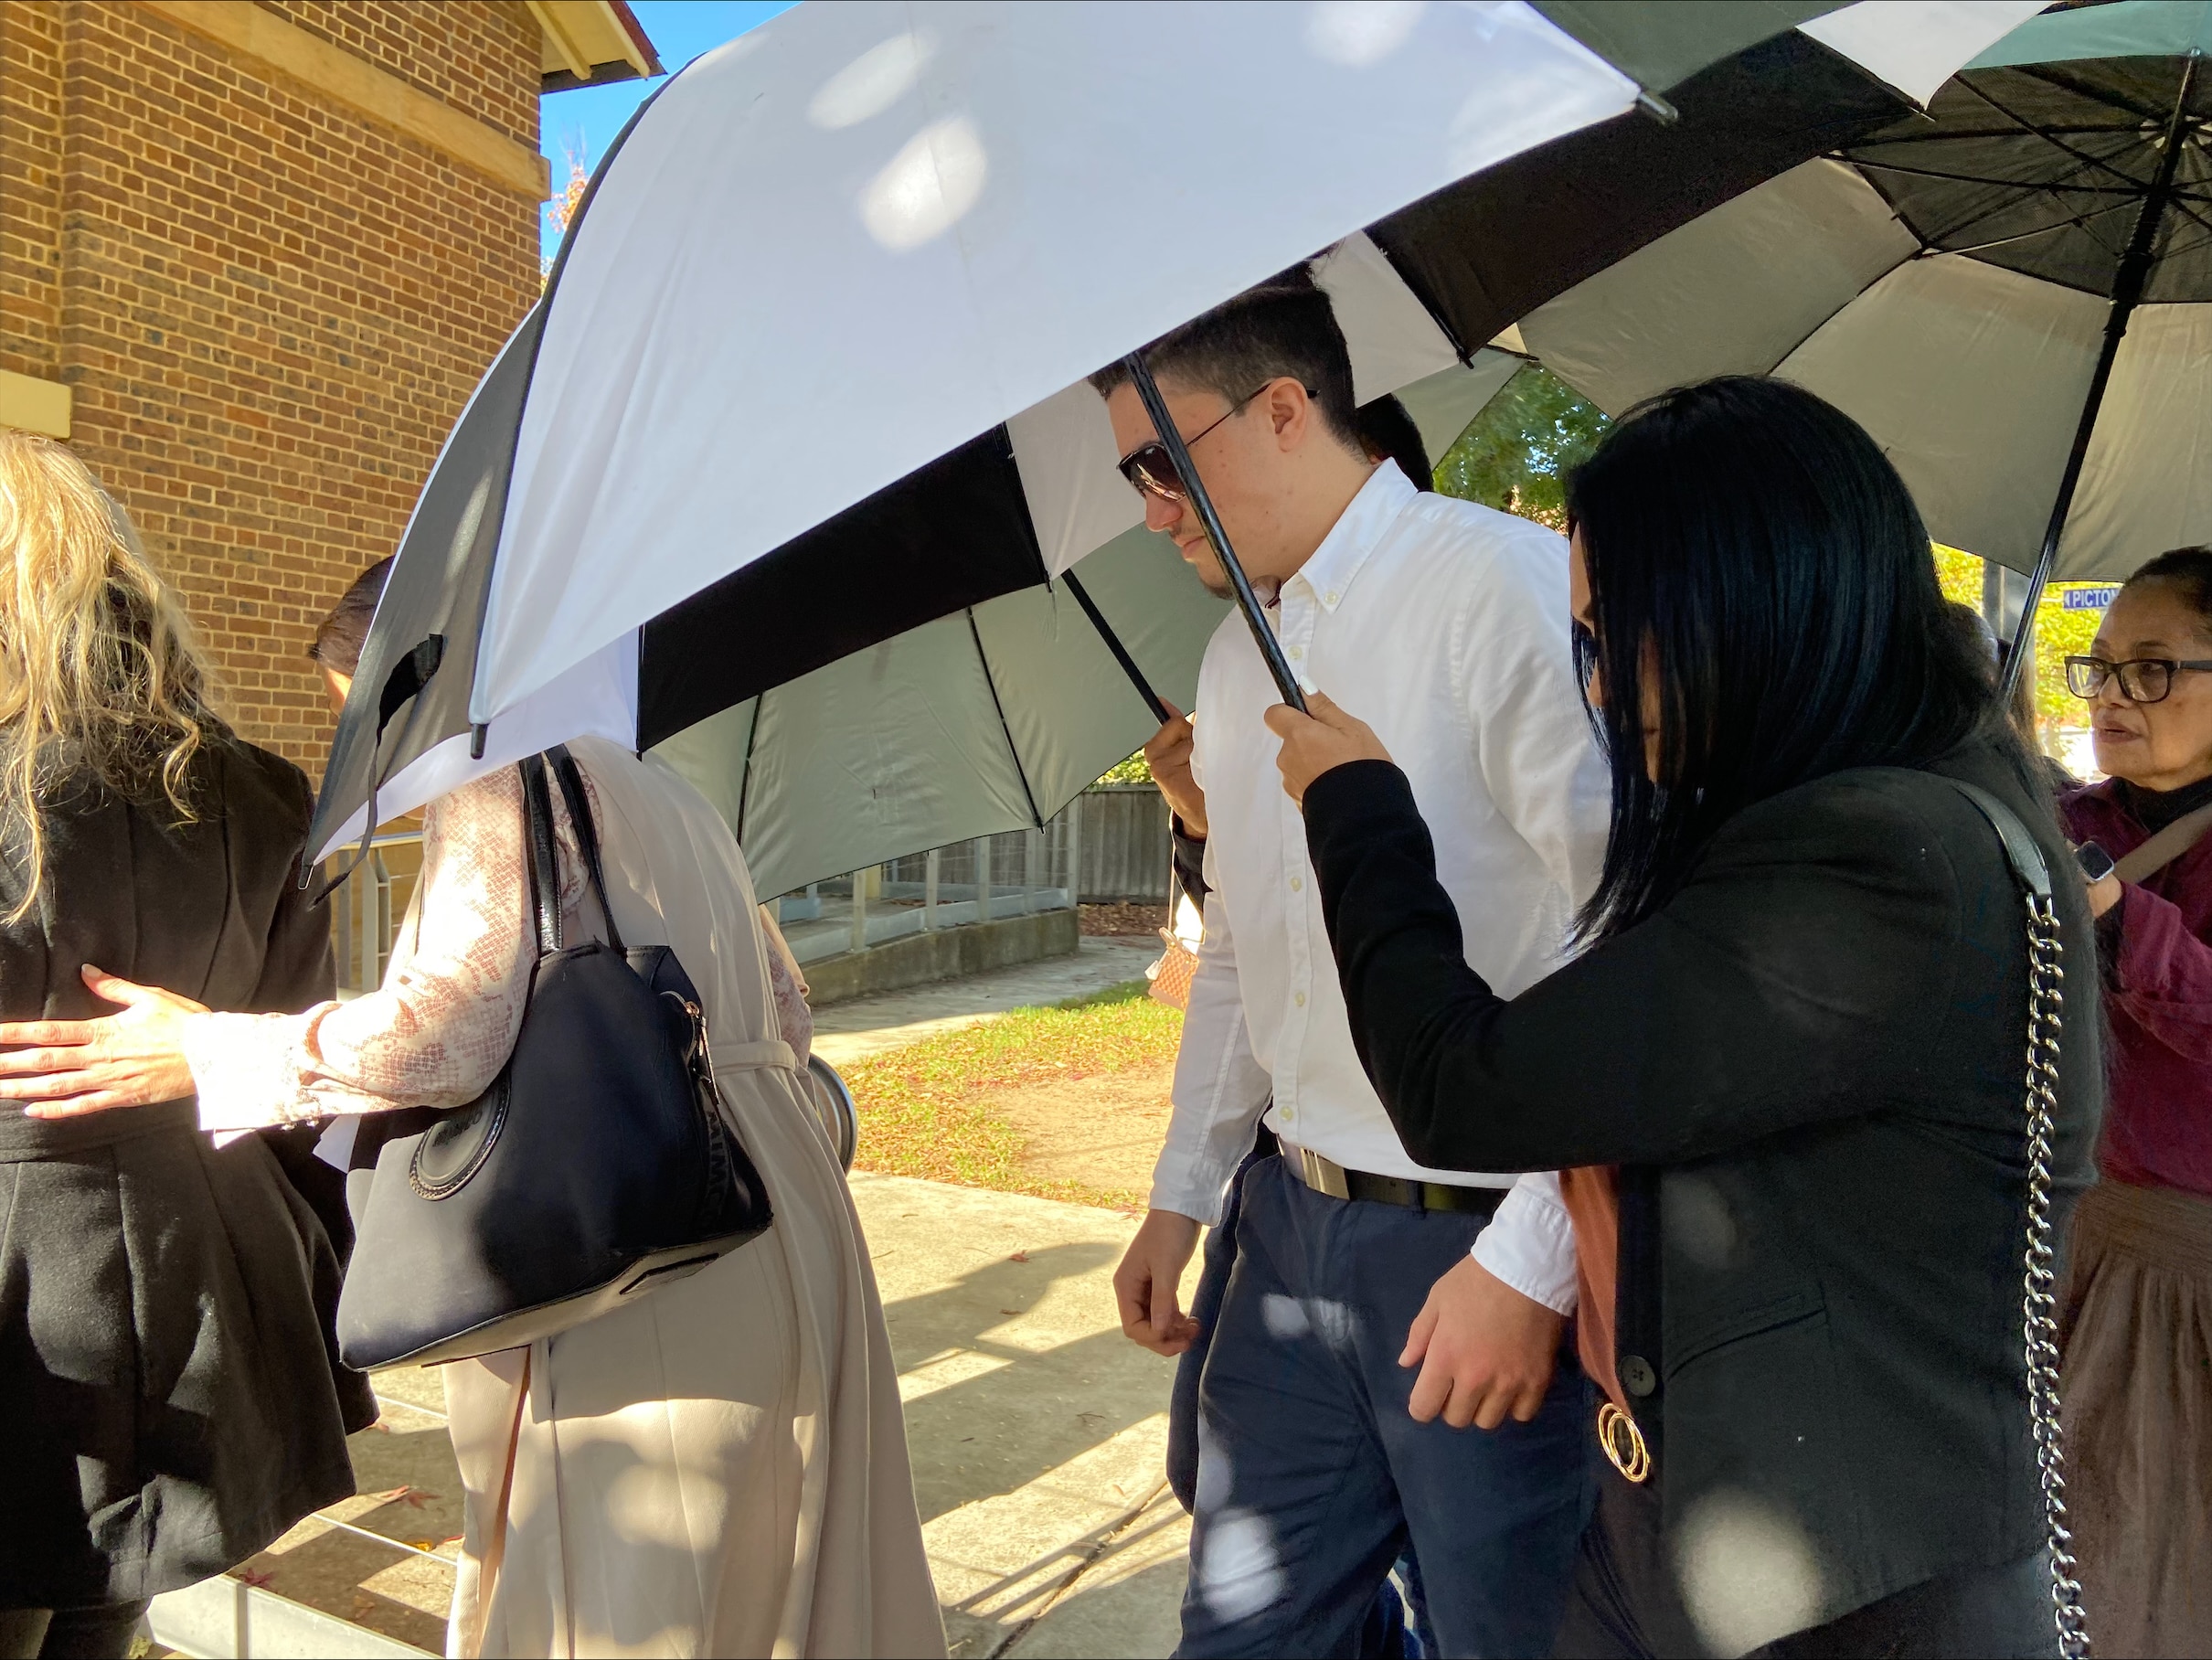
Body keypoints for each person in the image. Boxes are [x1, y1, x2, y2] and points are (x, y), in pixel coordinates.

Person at [1266, 375, 2102, 1656]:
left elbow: (1463, 1086)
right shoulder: (1912, 802)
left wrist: (1360, 807)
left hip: (1853, 1591)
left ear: (1747, 602)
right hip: (1715, 1531)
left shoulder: (1878, 866)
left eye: (1615, 641)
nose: (1599, 693)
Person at [0, 561, 944, 1659]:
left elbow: (446, 1032)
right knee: (767, 1575)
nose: (369, 750)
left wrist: (203, 1047)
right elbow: (787, 1009)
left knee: (643, 1592)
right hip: (774, 1208)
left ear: (419, 681)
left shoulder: (496, 769)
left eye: (360, 703)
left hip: (642, 1253)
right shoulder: (659, 782)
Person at [1098, 267, 1607, 1656]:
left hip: (1483, 1242)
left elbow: (1623, 934)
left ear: (1281, 410)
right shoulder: (1225, 664)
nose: (1146, 506)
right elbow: (1252, 963)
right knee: (1250, 1634)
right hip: (1292, 1229)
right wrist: (1183, 1193)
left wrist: (1538, 1261)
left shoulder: (1495, 586)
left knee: (1514, 1636)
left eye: (1159, 456)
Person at [0, 431, 364, 1658]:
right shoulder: (263, 792)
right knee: (106, 1615)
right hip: (199, 1257)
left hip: (23, 1279)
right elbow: (292, 1069)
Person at [2053, 548, 2212, 1657]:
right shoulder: (2056, 816)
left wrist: (2116, 921)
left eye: (2151, 668)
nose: (2111, 693)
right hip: (2058, 1240)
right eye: (2101, 665)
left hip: (2179, 1278)